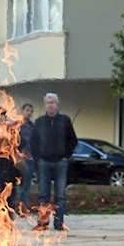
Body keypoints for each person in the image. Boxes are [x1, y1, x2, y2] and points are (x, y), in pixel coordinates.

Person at [31, 93, 78, 231]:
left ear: (57, 104)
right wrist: (38, 158)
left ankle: (59, 223)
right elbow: (33, 142)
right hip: (44, 162)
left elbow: (73, 140)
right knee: (43, 194)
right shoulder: (39, 122)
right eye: (48, 102)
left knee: (60, 195)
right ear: (45, 105)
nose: (50, 105)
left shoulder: (65, 120)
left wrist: (66, 155)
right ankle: (43, 223)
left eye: (53, 102)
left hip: (60, 162)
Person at [17, 103, 35, 210]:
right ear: (22, 111)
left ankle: (23, 208)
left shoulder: (33, 127)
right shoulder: (16, 126)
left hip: (29, 160)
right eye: (27, 110)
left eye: (31, 111)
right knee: (12, 185)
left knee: (26, 186)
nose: (29, 113)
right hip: (17, 159)